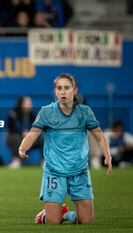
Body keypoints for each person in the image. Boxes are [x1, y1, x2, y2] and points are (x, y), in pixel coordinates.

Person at [18, 73, 112, 224]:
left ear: (75, 91)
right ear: (55, 91)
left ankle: (66, 215)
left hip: (79, 170)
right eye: (59, 88)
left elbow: (100, 137)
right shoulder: (47, 112)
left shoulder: (85, 112)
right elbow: (32, 135)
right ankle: (47, 216)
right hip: (55, 171)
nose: (63, 92)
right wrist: (22, 148)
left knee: (87, 221)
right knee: (52, 222)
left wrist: (107, 156)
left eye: (67, 88)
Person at [6, 96, 43, 169]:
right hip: (16, 137)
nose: (29, 105)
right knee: (15, 138)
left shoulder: (33, 115)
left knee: (42, 139)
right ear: (21, 104)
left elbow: (37, 127)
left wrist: (30, 133)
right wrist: (21, 132)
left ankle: (44, 162)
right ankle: (16, 161)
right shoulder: (13, 114)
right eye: (27, 103)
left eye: (30, 103)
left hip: (30, 138)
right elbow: (11, 128)